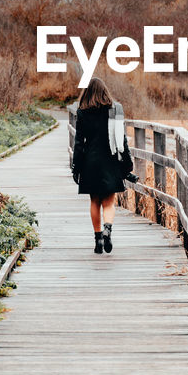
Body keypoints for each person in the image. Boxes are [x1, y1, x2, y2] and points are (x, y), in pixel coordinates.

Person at [71, 77, 135, 254]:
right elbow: (121, 139)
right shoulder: (114, 110)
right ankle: (108, 229)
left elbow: (78, 143)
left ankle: (98, 239)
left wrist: (76, 167)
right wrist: (128, 163)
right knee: (108, 202)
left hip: (90, 162)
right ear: (105, 91)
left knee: (94, 201)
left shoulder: (82, 112)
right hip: (110, 160)